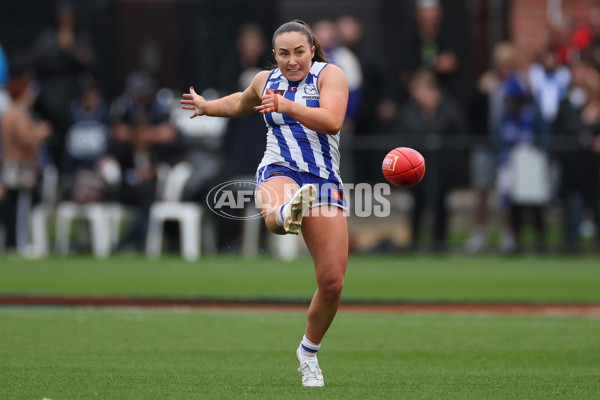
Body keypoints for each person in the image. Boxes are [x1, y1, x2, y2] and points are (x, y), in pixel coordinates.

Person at [180, 20, 349, 387]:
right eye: (284, 53)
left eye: (299, 52)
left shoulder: (330, 75)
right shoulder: (264, 80)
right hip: (278, 168)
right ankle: (288, 210)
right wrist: (207, 107)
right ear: (274, 55)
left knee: (332, 282)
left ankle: (307, 352)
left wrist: (287, 105)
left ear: (311, 50)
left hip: (322, 178)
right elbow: (241, 102)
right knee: (275, 214)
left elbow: (333, 120)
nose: (292, 60)